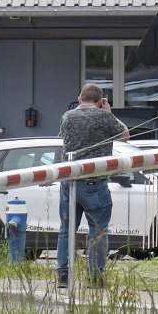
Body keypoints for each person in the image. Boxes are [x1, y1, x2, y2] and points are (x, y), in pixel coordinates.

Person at [57, 83, 129, 288]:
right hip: (95, 183)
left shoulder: (67, 117)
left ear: (80, 99)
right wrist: (109, 113)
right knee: (98, 232)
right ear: (100, 102)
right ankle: (95, 278)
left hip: (70, 181)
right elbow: (125, 135)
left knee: (66, 230)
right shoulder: (104, 117)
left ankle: (63, 277)